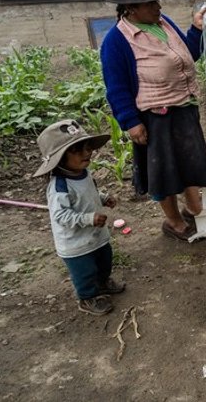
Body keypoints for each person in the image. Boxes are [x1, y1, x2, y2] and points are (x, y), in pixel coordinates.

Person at [100, 0, 206, 241]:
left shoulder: (164, 25)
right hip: (155, 117)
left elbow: (187, 54)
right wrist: (131, 122)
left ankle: (194, 209)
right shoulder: (117, 41)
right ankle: (174, 222)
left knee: (189, 164)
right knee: (164, 173)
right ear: (130, 7)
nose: (157, 6)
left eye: (157, 0)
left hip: (184, 109)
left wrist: (197, 30)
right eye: (150, 2)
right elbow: (116, 87)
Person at [33, 119, 125, 316]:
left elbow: (88, 194)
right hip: (75, 245)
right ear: (59, 158)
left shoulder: (84, 173)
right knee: (84, 272)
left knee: (104, 260)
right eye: (77, 150)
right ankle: (87, 297)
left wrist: (103, 199)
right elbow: (60, 215)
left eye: (87, 148)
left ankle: (102, 283)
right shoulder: (59, 186)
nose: (87, 153)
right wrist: (88, 219)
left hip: (96, 236)